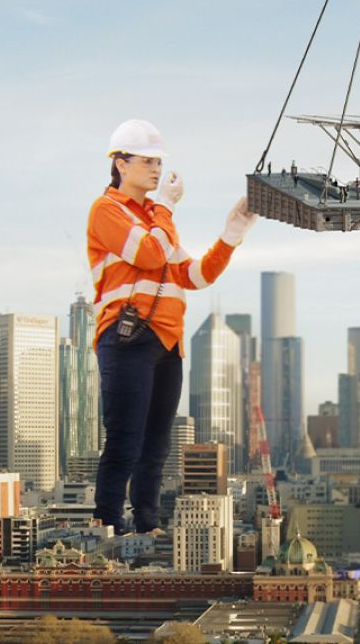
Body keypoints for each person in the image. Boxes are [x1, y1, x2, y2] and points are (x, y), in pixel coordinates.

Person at [88, 119, 257, 535]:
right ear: (120, 163)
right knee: (125, 438)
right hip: (127, 336)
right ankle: (106, 521)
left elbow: (196, 276)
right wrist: (165, 207)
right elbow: (147, 255)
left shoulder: (157, 221)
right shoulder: (106, 210)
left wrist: (232, 233)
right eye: (147, 161)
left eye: (158, 162)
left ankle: (146, 523)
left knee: (156, 444)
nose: (156, 169)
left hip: (167, 342)